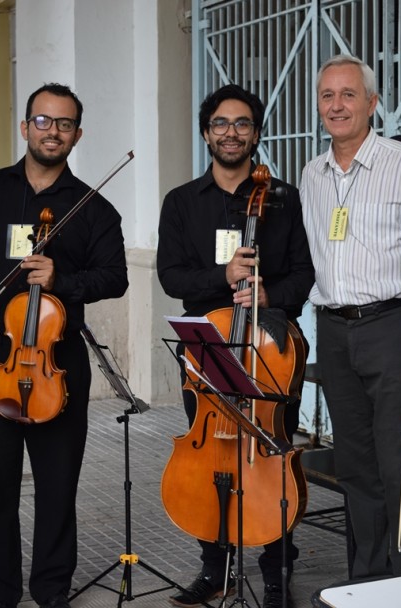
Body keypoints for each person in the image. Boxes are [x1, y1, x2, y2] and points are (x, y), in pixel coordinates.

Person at [0, 83, 128, 608]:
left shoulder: (93, 208)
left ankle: (52, 591)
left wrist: (64, 281)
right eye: (43, 120)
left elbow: (115, 279)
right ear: (26, 124)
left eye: (64, 124)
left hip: (58, 360)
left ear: (78, 134)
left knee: (57, 488)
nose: (52, 131)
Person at [157, 84, 315, 608]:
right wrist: (223, 276)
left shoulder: (284, 198)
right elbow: (171, 274)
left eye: (242, 123)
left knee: (270, 457)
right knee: (213, 457)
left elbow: (305, 274)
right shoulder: (181, 202)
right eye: (221, 123)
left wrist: (270, 292)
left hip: (270, 349)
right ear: (206, 132)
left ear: (256, 132)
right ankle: (216, 568)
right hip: (207, 348)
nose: (231, 132)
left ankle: (276, 572)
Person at [299, 54, 401, 578]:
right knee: (353, 462)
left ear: (372, 103)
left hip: (392, 323)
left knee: (397, 461)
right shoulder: (311, 173)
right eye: (328, 95)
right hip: (333, 326)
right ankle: (364, 575)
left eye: (349, 94)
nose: (337, 105)